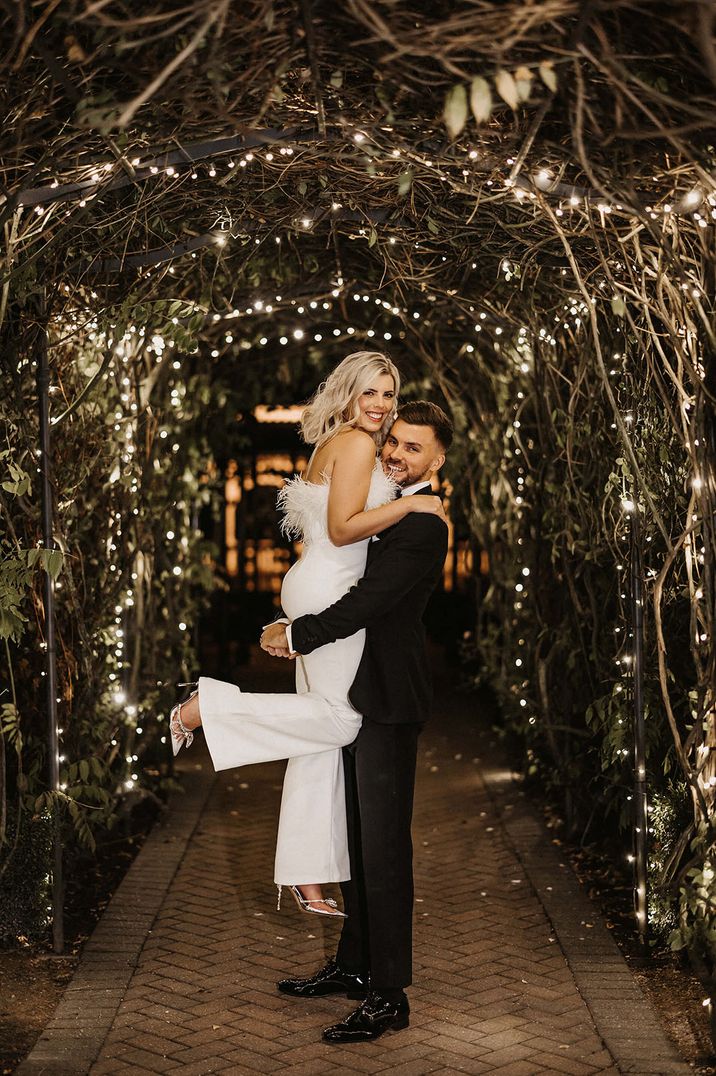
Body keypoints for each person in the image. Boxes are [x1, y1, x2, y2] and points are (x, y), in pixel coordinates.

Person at [170, 352, 445, 917]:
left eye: (389, 394)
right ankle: (207, 709)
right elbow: (345, 530)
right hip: (331, 584)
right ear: (347, 393)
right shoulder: (359, 443)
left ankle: (307, 876)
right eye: (370, 392)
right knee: (343, 718)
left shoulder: (341, 442)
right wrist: (417, 504)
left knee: (321, 731)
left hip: (317, 579)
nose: (381, 405)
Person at [261, 400, 453, 1044]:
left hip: (389, 702)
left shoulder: (425, 526)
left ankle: (389, 995)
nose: (397, 454)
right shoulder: (389, 508)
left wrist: (300, 634)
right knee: (358, 838)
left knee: (385, 849)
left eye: (413, 448)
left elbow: (369, 601)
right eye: (393, 443)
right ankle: (351, 967)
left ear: (438, 459)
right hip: (356, 691)